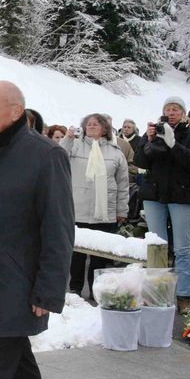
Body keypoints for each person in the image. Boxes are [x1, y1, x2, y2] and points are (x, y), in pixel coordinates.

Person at [0, 81, 74, 379]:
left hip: (14, 283)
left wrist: (49, 289)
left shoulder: (45, 156)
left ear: (16, 111)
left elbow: (58, 228)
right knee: (17, 365)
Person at [134, 96, 190, 314]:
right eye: (168, 109)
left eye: (176, 109)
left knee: (182, 248)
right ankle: (157, 294)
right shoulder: (155, 132)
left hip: (181, 195)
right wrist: (147, 140)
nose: (172, 112)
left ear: (183, 113)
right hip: (154, 194)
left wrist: (174, 144)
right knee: (156, 247)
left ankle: (183, 297)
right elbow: (140, 162)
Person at [60, 114, 129, 298]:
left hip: (105, 212)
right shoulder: (74, 145)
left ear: (105, 129)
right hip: (78, 209)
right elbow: (58, 156)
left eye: (95, 123)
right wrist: (67, 138)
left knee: (100, 256)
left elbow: (123, 185)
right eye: (88, 123)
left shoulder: (116, 152)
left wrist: (122, 210)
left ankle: (96, 291)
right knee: (77, 255)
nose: (91, 125)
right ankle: (74, 289)